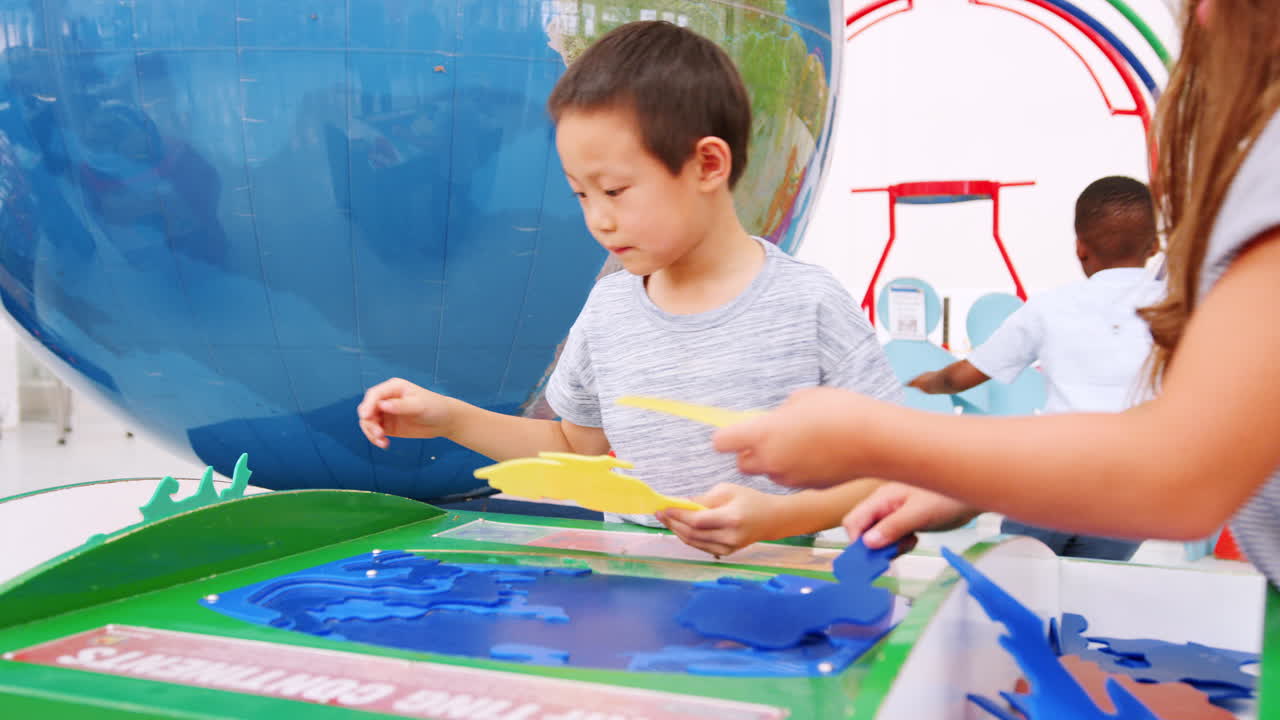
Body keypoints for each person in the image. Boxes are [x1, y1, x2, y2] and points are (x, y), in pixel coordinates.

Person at [712, 0, 1280, 587]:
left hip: (1114, 490)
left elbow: (1184, 469)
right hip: (1092, 484)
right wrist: (964, 480)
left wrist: (874, 435)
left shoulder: (1261, 169)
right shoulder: (1172, 276)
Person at [357, 21, 902, 558]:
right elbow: (575, 447)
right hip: (635, 597)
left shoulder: (808, 305)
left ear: (707, 164)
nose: (599, 220)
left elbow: (897, 471)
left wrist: (779, 519)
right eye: (581, 195)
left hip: (774, 602)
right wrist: (450, 417)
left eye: (615, 191)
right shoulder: (610, 308)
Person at [907, 176, 1162, 560]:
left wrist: (925, 382)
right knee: (1093, 590)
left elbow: (961, 377)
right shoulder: (1178, 310)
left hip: (1051, 481)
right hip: (1131, 491)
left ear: (1080, 248)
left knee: (1020, 583)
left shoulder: (1049, 307)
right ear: (1155, 246)